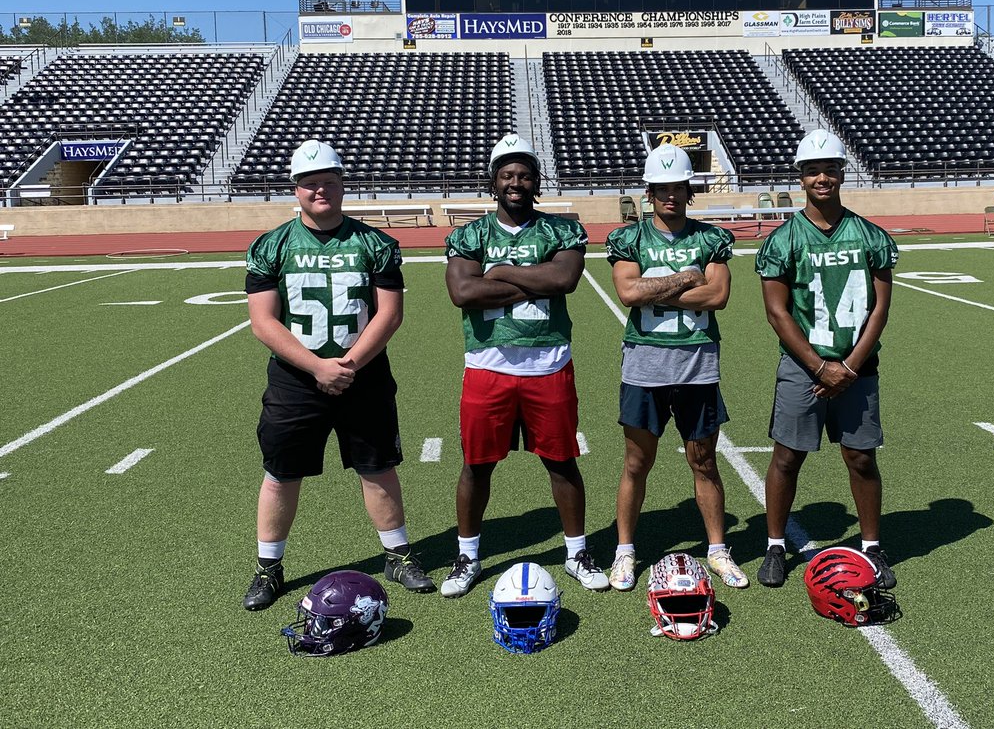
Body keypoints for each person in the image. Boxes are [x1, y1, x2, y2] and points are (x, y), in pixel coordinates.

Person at [241, 139, 433, 611]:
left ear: (343, 184)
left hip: (361, 373)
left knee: (377, 467)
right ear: (296, 189)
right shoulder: (271, 246)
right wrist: (316, 366)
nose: (319, 190)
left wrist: (346, 365)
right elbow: (263, 321)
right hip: (295, 377)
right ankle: (269, 567)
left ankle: (398, 554)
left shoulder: (376, 243)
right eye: (310, 184)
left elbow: (389, 314)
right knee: (281, 473)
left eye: (328, 181)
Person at [442, 133, 609, 597]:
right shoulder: (468, 234)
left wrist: (497, 273)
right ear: (493, 181)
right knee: (477, 465)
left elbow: (564, 279)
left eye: (524, 175)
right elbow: (463, 292)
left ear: (536, 182)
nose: (516, 182)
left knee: (562, 461)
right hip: (487, 364)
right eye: (507, 174)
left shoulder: (562, 229)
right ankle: (467, 555)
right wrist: (535, 283)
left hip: (548, 363)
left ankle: (577, 552)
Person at [753, 130, 899, 590]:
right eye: (813, 170)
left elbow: (881, 306)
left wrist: (850, 366)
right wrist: (820, 367)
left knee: (859, 457)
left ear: (841, 172)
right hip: (803, 368)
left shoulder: (870, 235)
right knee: (787, 456)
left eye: (830, 169)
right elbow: (777, 312)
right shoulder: (783, 240)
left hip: (857, 368)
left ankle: (872, 546)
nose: (823, 177)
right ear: (800, 177)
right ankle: (775, 544)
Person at [603, 144, 748, 591]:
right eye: (662, 189)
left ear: (689, 191)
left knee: (703, 461)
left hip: (698, 364)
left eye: (678, 188)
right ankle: (624, 552)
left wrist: (653, 287)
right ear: (650, 193)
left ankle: (719, 550)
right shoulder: (628, 239)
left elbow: (717, 297)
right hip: (644, 365)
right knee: (636, 462)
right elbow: (628, 293)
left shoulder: (710, 238)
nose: (671, 196)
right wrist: (687, 277)